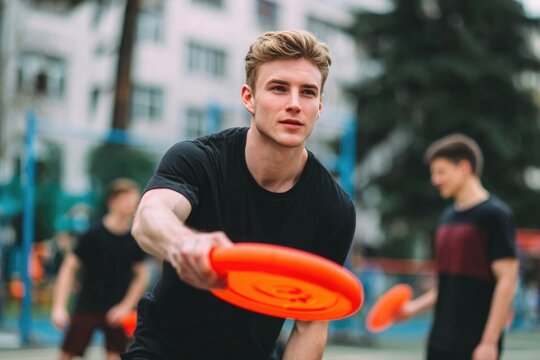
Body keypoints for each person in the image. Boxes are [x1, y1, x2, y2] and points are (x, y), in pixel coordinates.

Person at [122, 30, 356, 360]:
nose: (294, 103)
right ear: (249, 97)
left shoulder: (334, 209)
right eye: (278, 88)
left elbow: (310, 325)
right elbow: (151, 216)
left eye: (307, 92)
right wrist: (182, 243)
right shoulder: (198, 158)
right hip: (162, 350)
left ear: (319, 106)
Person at [398, 134, 518, 360]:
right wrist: (412, 309)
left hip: (475, 345)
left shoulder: (495, 216)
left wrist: (489, 342)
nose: (435, 180)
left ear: (464, 168)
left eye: (441, 172)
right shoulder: (447, 218)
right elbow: (448, 283)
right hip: (439, 342)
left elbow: (507, 281)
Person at [51, 178, 149, 360]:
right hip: (88, 304)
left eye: (134, 201)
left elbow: (142, 276)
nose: (132, 205)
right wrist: (59, 306)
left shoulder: (134, 239)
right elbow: (68, 268)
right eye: (127, 200)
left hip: (117, 308)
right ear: (113, 201)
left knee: (116, 355)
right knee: (67, 353)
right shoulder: (93, 234)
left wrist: (125, 306)